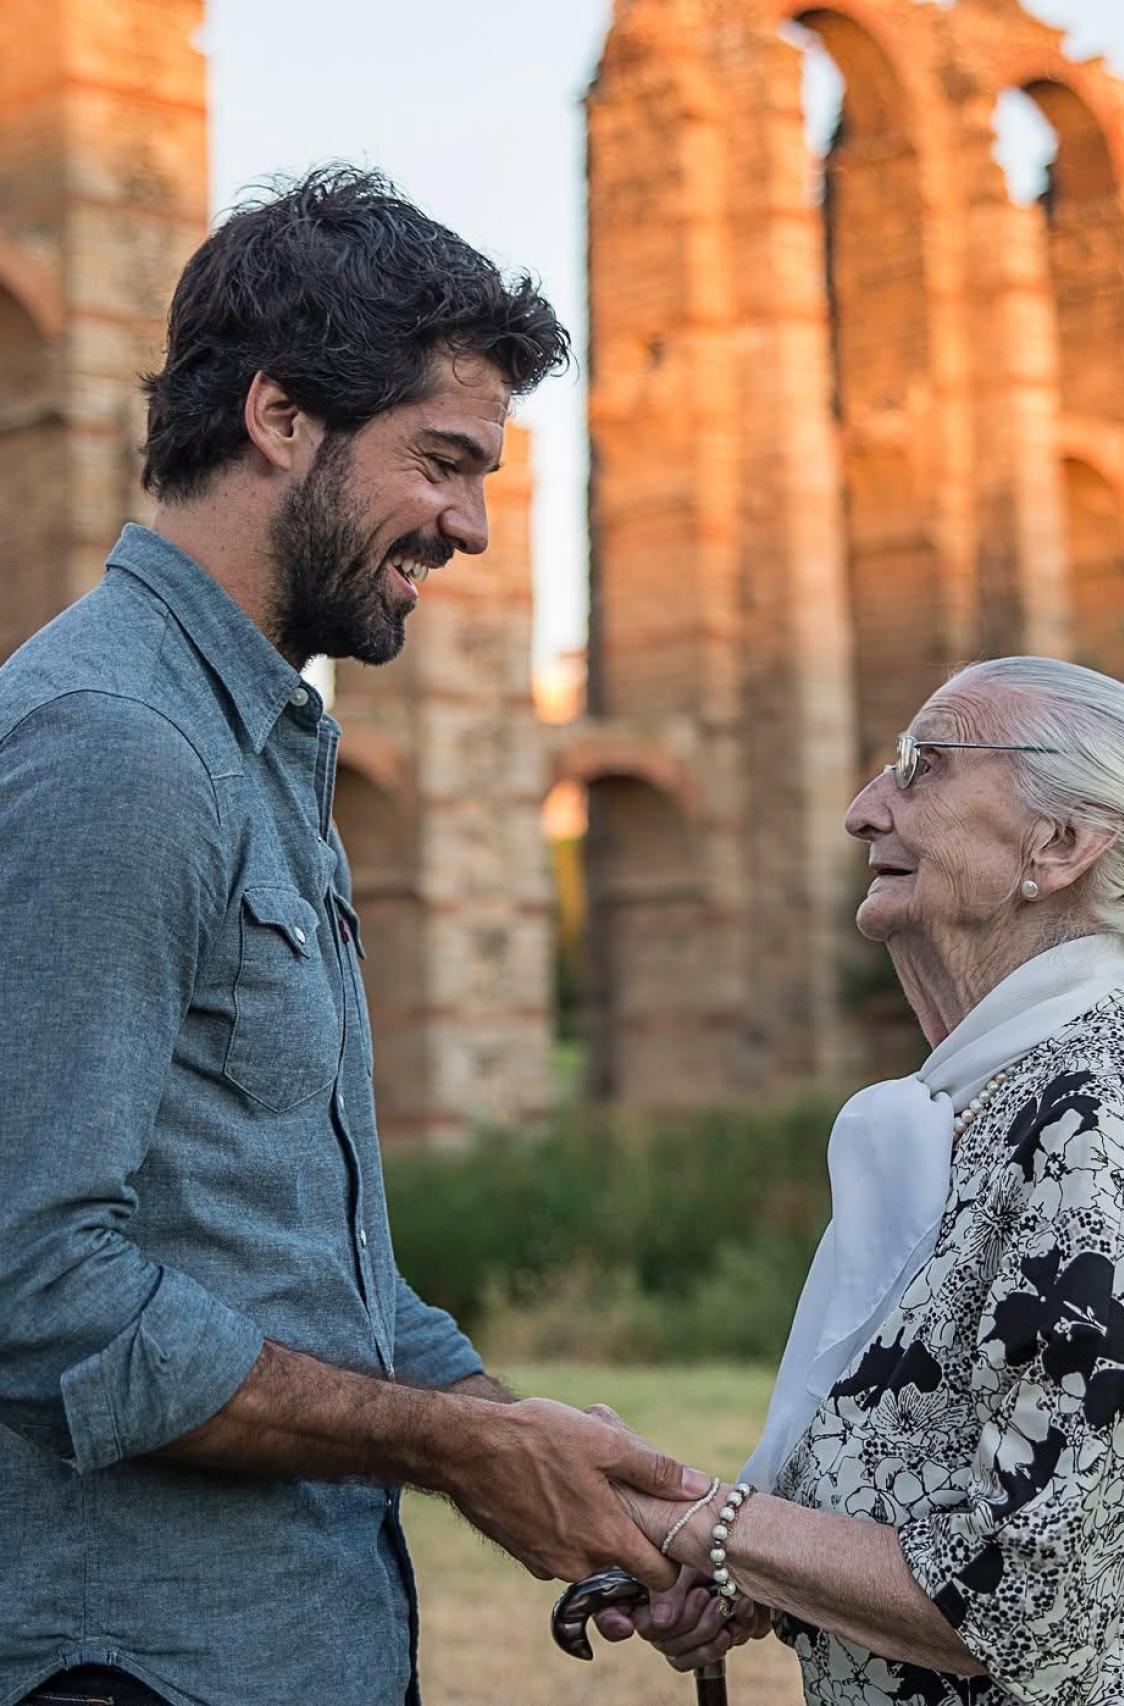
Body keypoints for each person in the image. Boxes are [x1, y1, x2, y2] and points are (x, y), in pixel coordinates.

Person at [0, 166, 706, 1706]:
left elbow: (307, 1268)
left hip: (282, 1646)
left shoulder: (254, 742)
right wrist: (455, 1444)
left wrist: (533, 1443)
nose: (465, 523)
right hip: (134, 1668)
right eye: (444, 462)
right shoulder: (113, 749)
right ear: (277, 419)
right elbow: (36, 1287)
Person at [598, 656, 1124, 1703]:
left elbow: (1021, 1596)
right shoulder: (1010, 1097)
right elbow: (943, 1487)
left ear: (1058, 844)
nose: (860, 809)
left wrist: (685, 1515)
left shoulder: (1098, 1121)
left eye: (920, 766)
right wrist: (754, 1577)